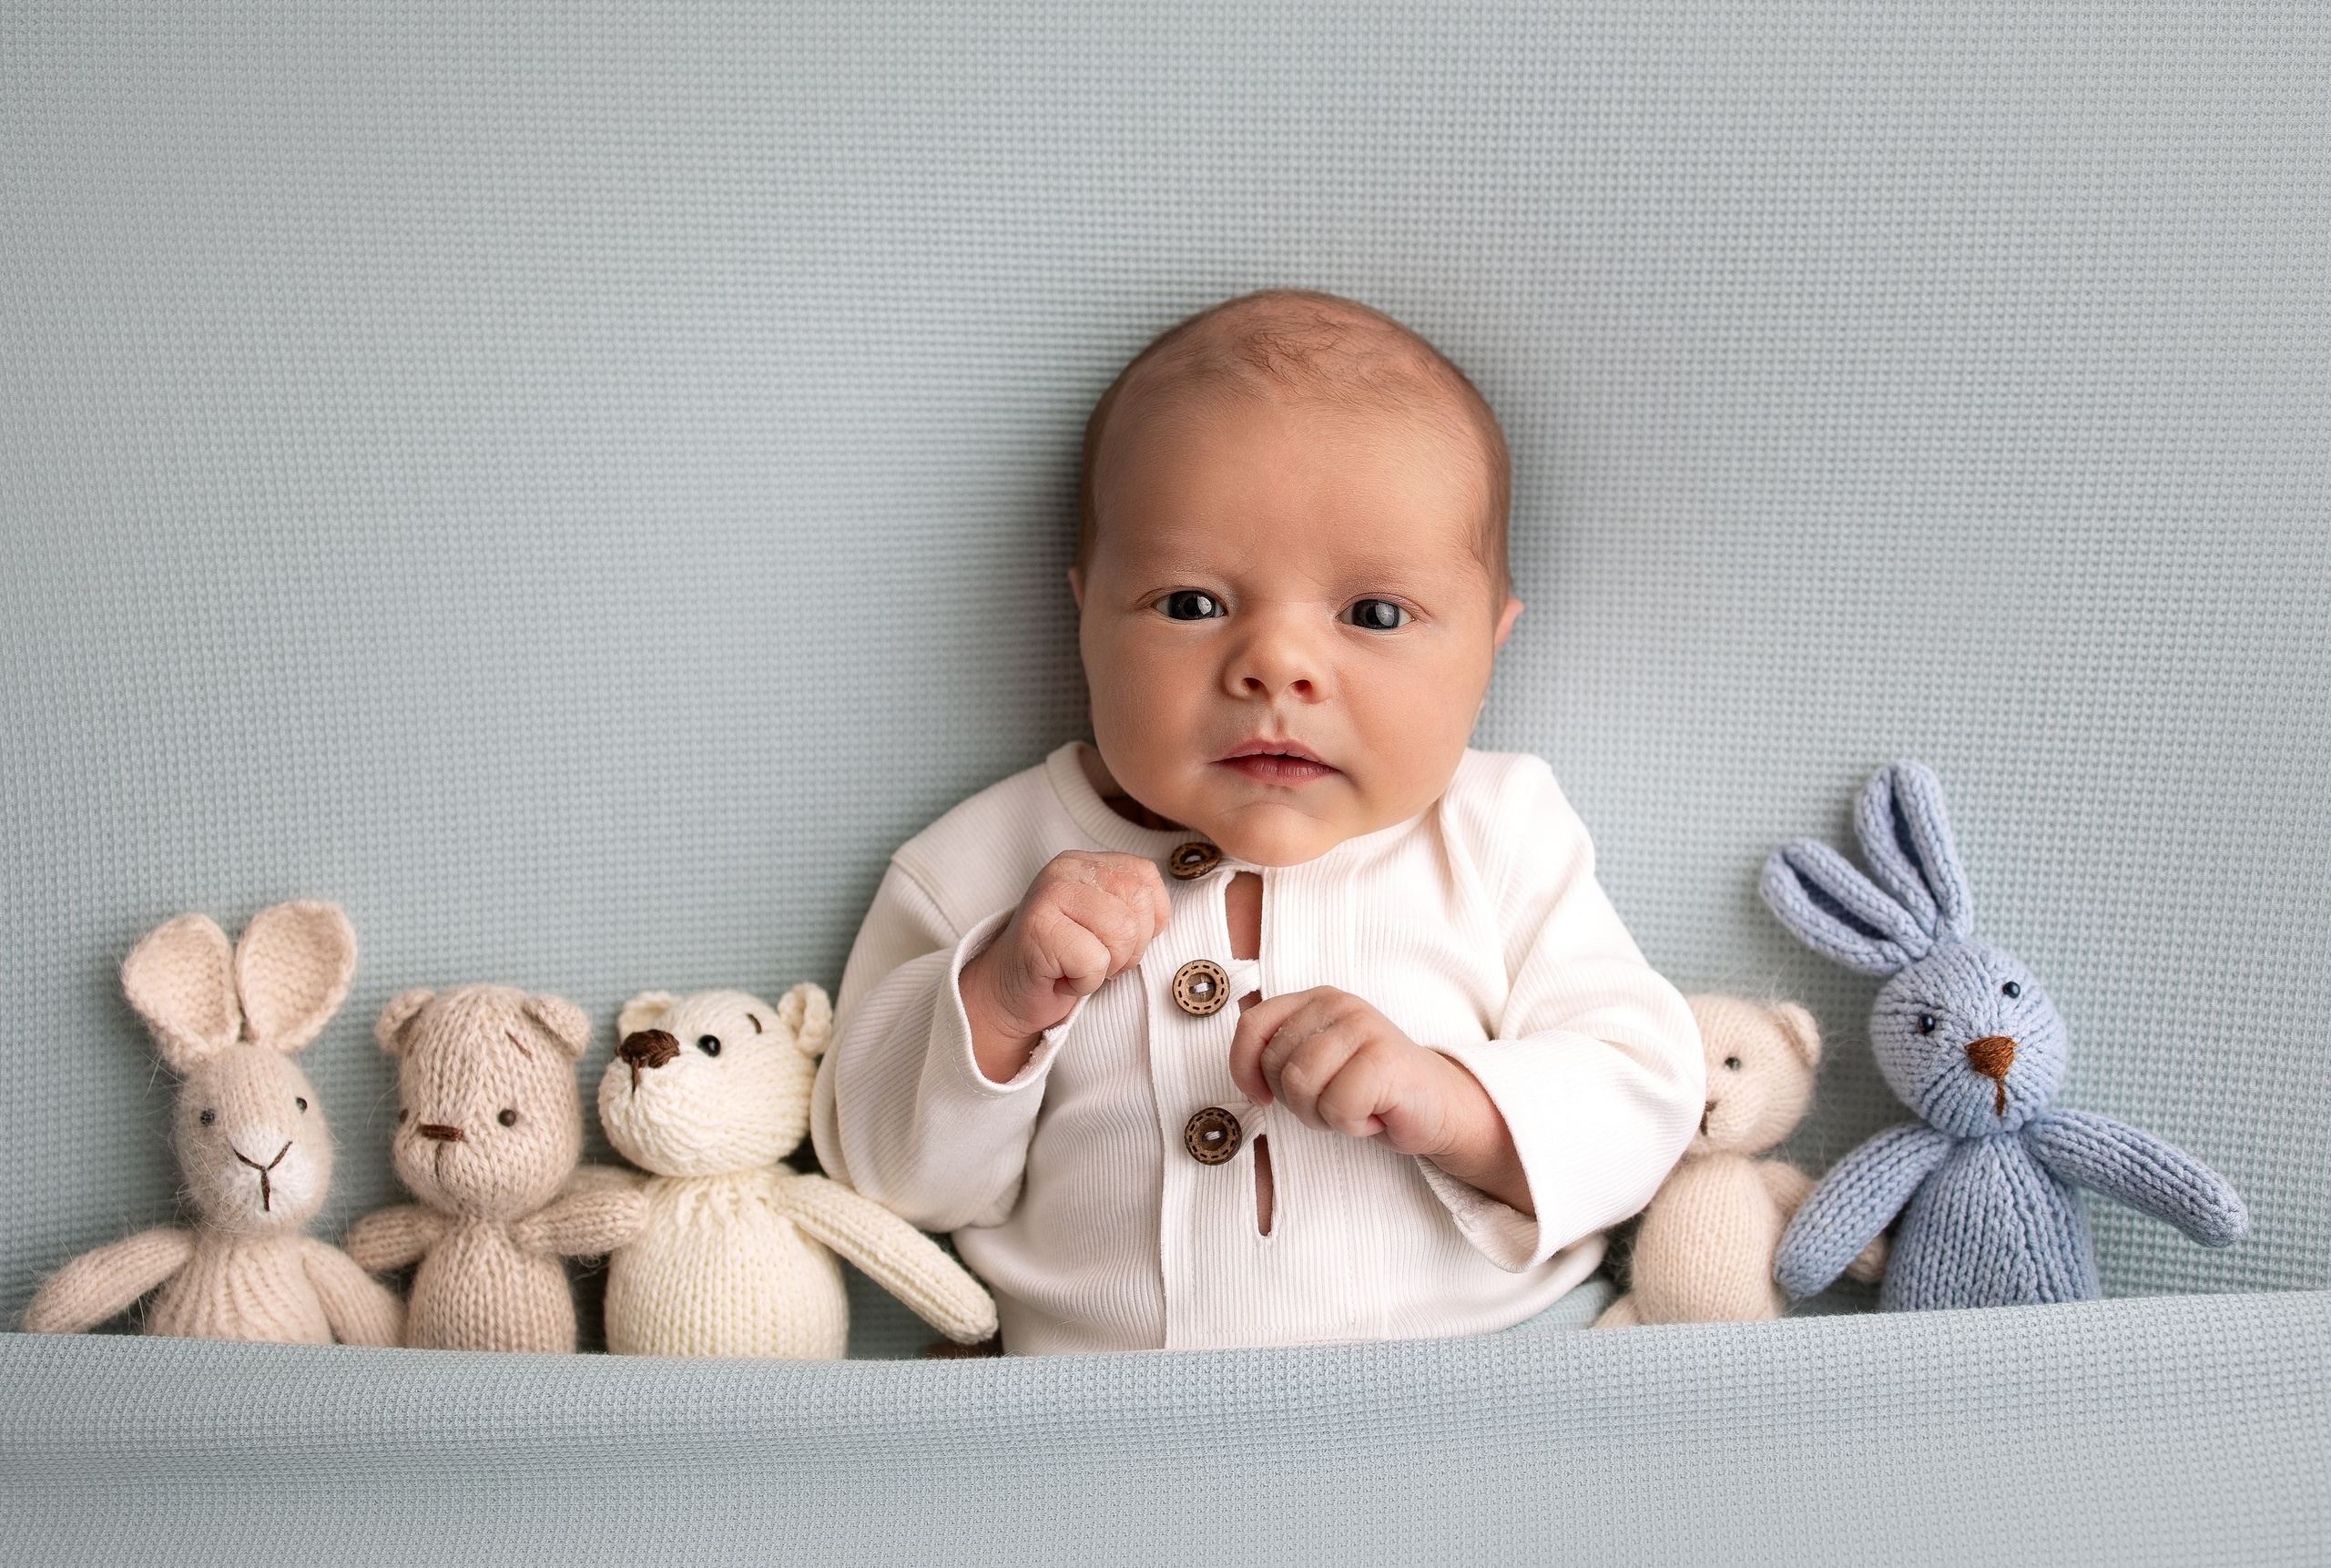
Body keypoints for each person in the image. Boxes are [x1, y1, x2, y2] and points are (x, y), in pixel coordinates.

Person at [811, 290, 1704, 1353]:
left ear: (1490, 643)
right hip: (1089, 1432)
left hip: (1472, 1400)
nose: (1275, 663)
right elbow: (883, 1178)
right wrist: (998, 1002)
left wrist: (1453, 1099)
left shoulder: (1499, 834)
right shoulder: (985, 863)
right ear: (1085, 611)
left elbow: (1643, 1090)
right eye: (1190, 604)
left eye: (1374, 614)